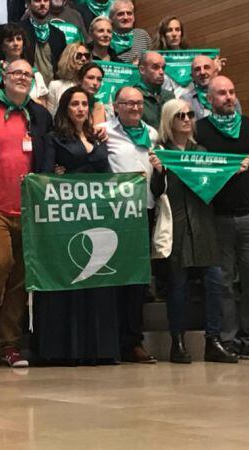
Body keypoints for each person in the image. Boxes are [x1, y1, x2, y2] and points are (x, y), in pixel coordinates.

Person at [0, 60, 52, 368]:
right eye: (15, 73)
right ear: (3, 77)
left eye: (27, 74)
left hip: (29, 208)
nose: (21, 78)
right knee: (1, 261)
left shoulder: (41, 116)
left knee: (21, 279)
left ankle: (9, 344)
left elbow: (48, 155)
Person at [35, 86, 121, 364]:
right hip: (66, 219)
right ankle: (64, 349)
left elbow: (107, 175)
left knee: (97, 280)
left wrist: (71, 170)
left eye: (85, 104)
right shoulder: (53, 138)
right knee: (69, 279)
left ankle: (99, 349)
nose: (81, 109)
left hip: (97, 215)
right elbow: (46, 176)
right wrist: (66, 175)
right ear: (65, 108)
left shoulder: (98, 138)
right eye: (75, 104)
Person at [194, 76, 249, 361]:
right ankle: (227, 340)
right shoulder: (200, 130)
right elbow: (198, 172)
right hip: (217, 218)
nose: (228, 97)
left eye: (231, 92)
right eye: (221, 93)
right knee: (223, 282)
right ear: (209, 99)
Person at [149, 98, 230, 364]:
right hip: (177, 225)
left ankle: (213, 340)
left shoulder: (202, 150)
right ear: (169, 121)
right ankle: (177, 342)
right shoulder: (162, 151)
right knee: (177, 286)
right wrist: (159, 171)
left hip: (203, 224)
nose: (186, 119)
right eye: (180, 115)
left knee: (215, 281)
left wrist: (230, 172)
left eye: (190, 115)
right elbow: (156, 192)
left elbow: (214, 186)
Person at [104, 85, 158, 364]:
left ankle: (134, 341)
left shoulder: (152, 134)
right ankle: (112, 340)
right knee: (114, 278)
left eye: (138, 103)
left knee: (137, 280)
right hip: (114, 213)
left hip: (144, 211)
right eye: (128, 104)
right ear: (116, 106)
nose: (135, 108)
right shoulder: (104, 132)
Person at [21, 0, 69, 85]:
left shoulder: (58, 35)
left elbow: (62, 68)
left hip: (52, 89)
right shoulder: (19, 31)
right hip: (27, 88)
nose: (43, 4)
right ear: (28, 4)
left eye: (46, 0)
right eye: (37, 0)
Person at [46, 42, 91, 112]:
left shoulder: (90, 85)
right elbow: (51, 115)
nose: (84, 59)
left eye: (87, 56)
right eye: (79, 56)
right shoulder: (55, 85)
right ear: (69, 58)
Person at [134, 51, 174, 130]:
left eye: (163, 68)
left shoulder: (170, 96)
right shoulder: (133, 97)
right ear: (142, 70)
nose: (161, 72)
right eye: (155, 67)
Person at [109, 0, 151, 64]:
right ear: (111, 18)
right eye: (120, 14)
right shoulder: (107, 38)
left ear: (134, 17)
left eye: (129, 13)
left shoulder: (142, 35)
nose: (126, 17)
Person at [181, 55, 221, 119]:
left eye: (206, 67)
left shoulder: (228, 97)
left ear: (215, 72)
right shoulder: (185, 100)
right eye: (197, 69)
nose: (202, 72)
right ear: (192, 76)